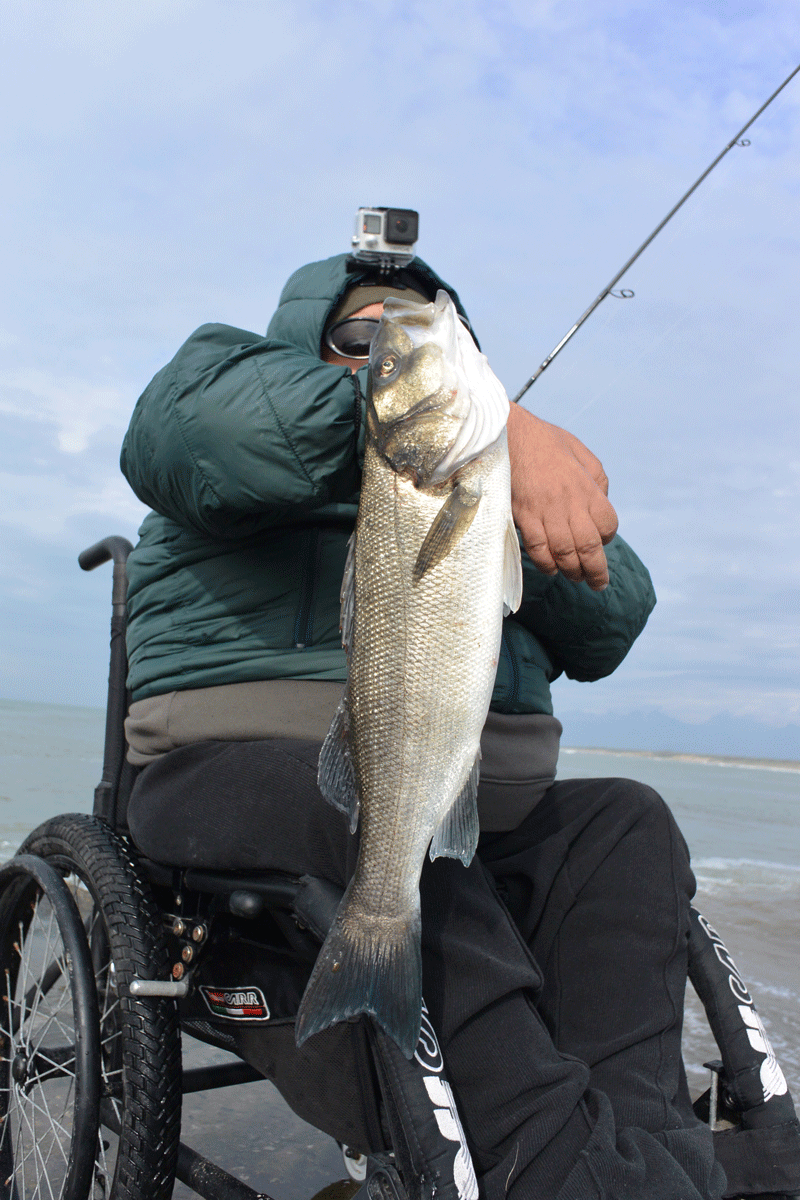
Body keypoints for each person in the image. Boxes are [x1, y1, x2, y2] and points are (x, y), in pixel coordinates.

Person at [119, 249, 741, 1198]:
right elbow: (208, 433)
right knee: (360, 818)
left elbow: (616, 621)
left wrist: (528, 492)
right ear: (306, 344)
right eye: (361, 339)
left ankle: (660, 1156)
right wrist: (474, 428)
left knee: (629, 820)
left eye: (425, 339)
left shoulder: (491, 483)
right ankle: (550, 1170)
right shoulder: (218, 379)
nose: (382, 354)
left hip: (470, 798)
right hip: (238, 775)